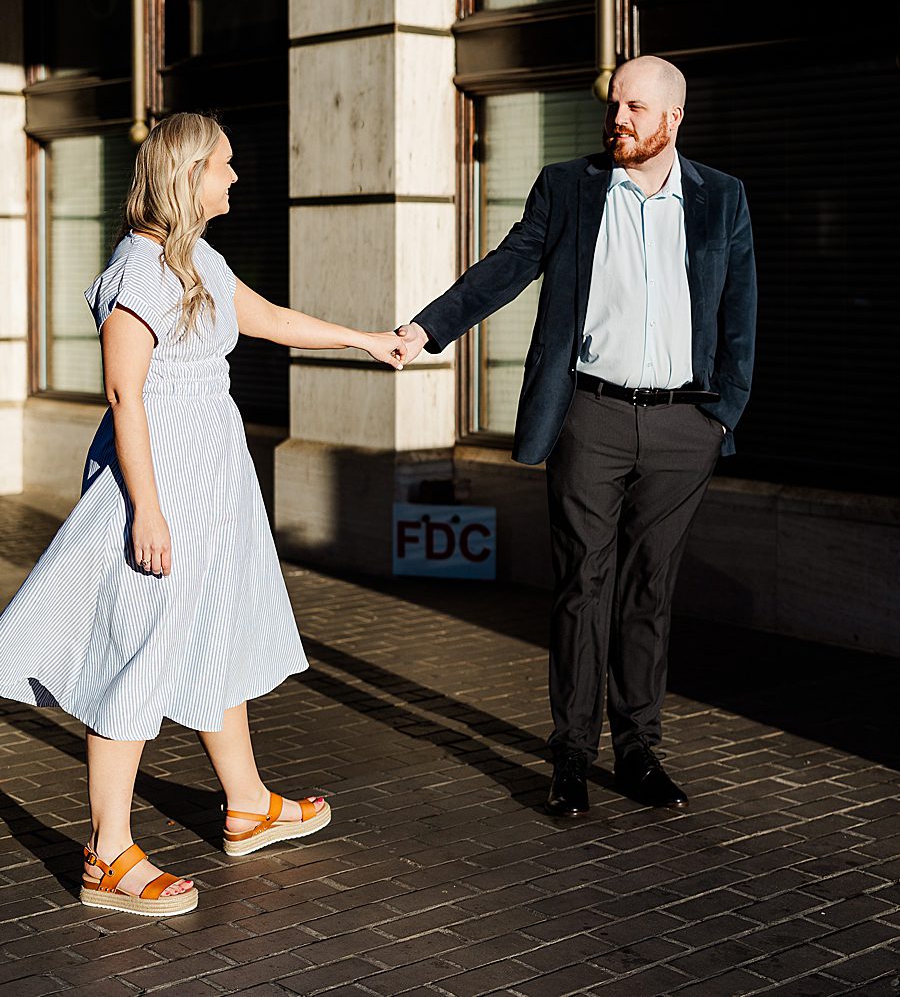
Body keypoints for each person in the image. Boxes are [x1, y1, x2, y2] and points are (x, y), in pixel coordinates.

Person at [0, 113, 406, 914]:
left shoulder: (195, 259)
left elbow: (265, 318)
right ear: (187, 174)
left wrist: (364, 340)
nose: (233, 177)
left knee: (213, 630)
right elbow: (126, 396)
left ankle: (247, 803)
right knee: (138, 652)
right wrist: (146, 512)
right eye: (223, 164)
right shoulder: (139, 272)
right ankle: (106, 855)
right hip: (161, 490)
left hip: (212, 481)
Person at [398, 56, 756, 817]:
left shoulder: (721, 199)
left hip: (683, 423)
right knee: (582, 585)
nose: (617, 118)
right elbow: (506, 267)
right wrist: (426, 328)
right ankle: (569, 754)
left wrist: (722, 410)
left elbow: (740, 314)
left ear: (672, 119)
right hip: (589, 417)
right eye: (614, 104)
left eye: (634, 107)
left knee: (650, 586)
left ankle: (637, 750)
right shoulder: (568, 188)